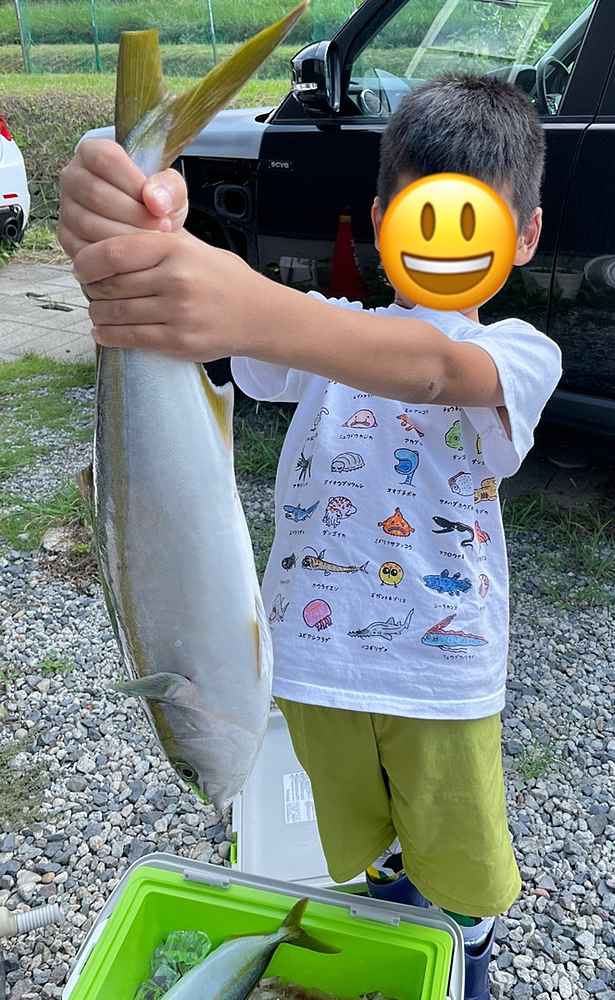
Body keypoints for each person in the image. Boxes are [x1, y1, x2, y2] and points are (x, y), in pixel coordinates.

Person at [58, 72, 562, 1000]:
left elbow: (435, 371)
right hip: (312, 675)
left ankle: (466, 954)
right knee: (362, 842)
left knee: (463, 875)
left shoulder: (518, 355)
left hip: (439, 683)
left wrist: (252, 303)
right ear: (380, 223)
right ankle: (393, 900)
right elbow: (226, 340)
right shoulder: (330, 336)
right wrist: (144, 220)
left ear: (523, 238)